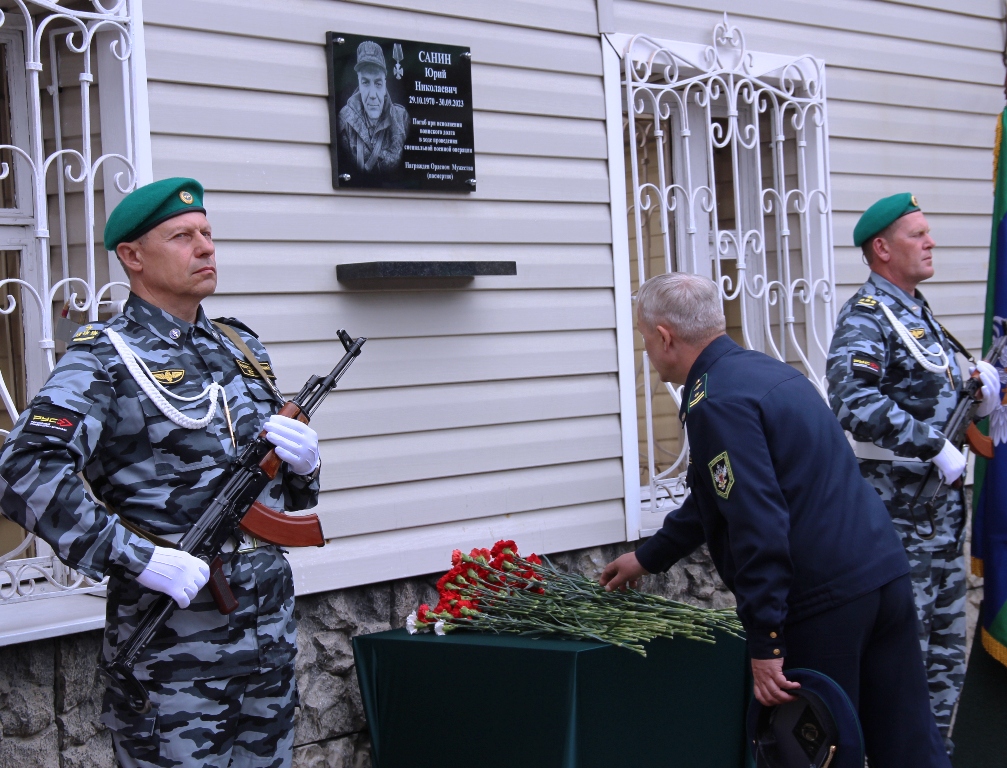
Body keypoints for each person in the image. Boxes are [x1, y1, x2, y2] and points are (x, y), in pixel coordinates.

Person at [0, 177, 322, 768]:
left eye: (206, 233)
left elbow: (278, 490)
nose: (205, 248)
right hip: (173, 655)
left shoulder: (239, 347)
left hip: (267, 638)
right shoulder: (106, 357)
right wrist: (136, 557)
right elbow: (25, 468)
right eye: (182, 236)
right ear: (133, 257)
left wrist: (304, 464)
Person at [601, 272, 952, 767]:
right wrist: (646, 557)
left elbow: (756, 525)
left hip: (824, 602)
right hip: (883, 576)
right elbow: (713, 499)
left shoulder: (715, 403)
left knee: (814, 753)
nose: (648, 351)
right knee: (908, 743)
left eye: (644, 339)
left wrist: (766, 641)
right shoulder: (769, 372)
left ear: (664, 336)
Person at [826, 192, 1000, 752]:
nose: (930, 242)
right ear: (881, 249)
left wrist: (982, 394)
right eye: (916, 234)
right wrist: (931, 445)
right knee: (903, 668)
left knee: (944, 666)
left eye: (928, 231)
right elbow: (850, 398)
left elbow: (937, 396)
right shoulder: (867, 317)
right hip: (898, 518)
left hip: (943, 521)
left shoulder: (918, 312)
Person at [338, 40, 410, 175]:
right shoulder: (344, 121)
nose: (372, 95)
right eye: (365, 83)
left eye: (378, 83)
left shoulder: (401, 118)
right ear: (359, 83)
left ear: (385, 85)